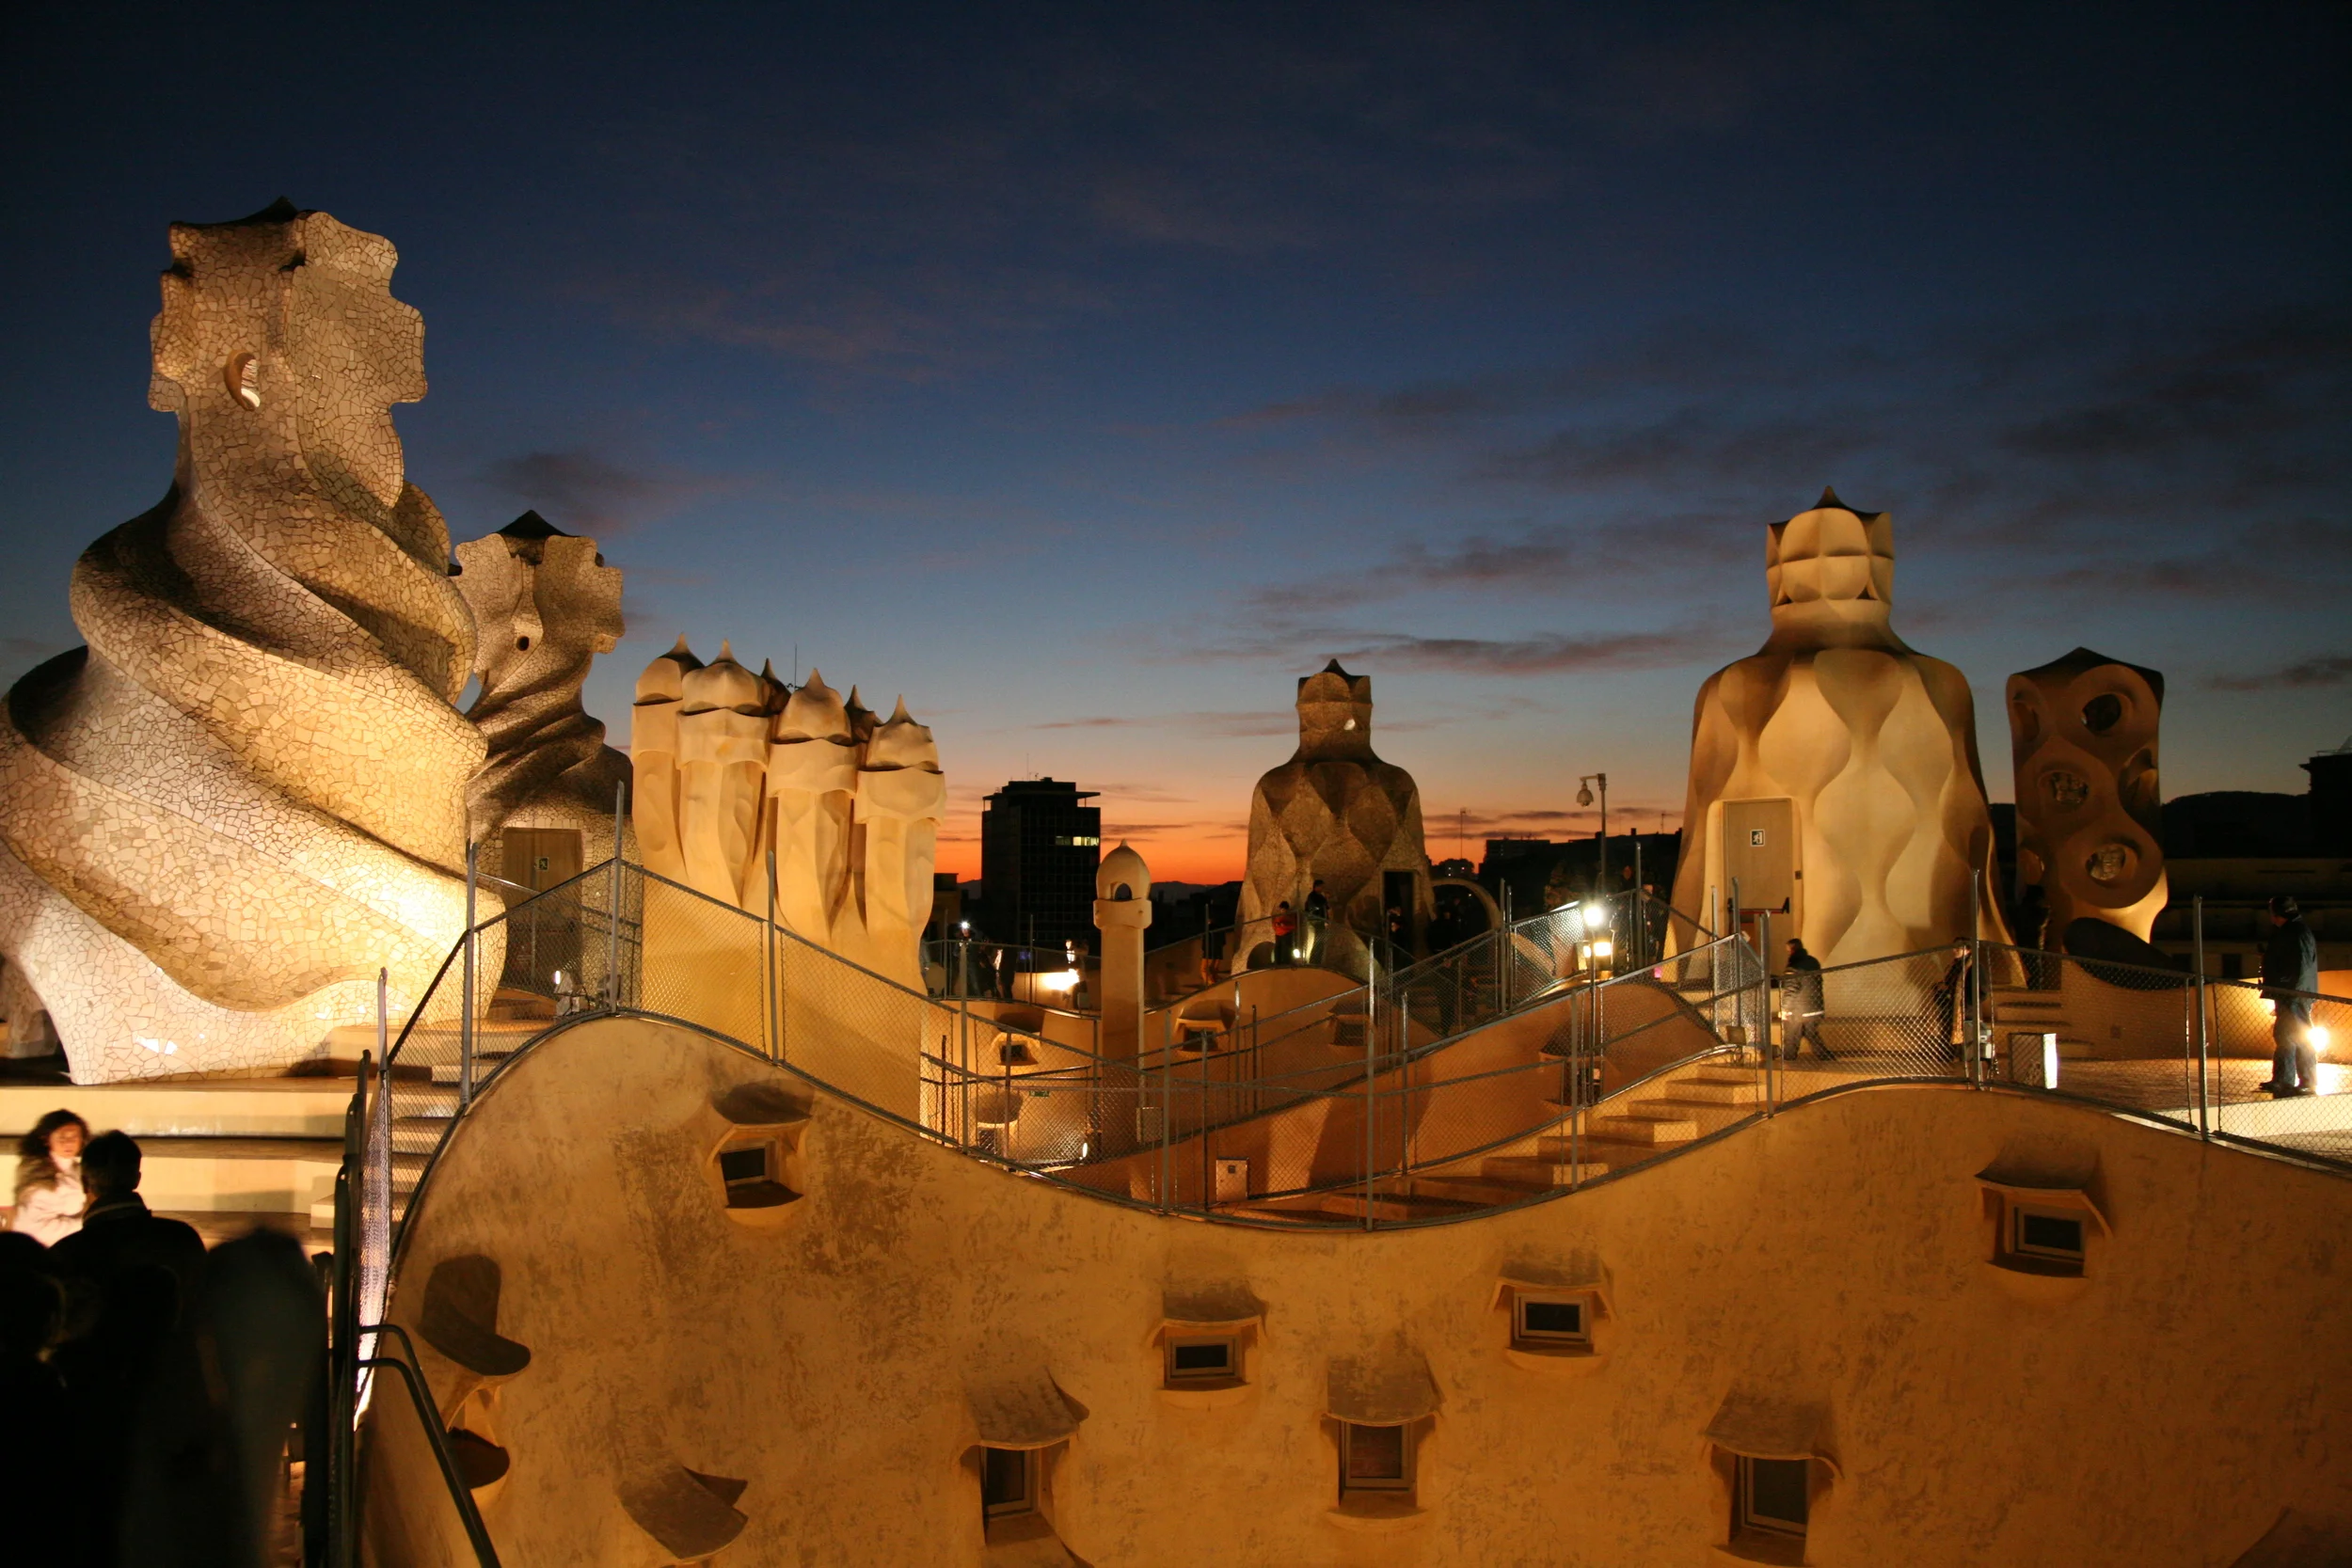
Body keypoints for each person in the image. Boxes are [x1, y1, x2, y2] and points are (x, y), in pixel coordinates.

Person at [2257, 895, 2321, 1097]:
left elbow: (2300, 966)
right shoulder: (2290, 931)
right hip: (2290, 992)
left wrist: (2285, 987)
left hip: (2293, 994)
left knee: (2299, 1036)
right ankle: (2284, 1080)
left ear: (2275, 913)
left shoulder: (2296, 932)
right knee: (2285, 1036)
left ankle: (2305, 1081)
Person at [9, 1108, 90, 1245]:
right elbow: (37, 1229)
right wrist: (87, 1223)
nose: (69, 1143)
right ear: (46, 1139)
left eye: (74, 1137)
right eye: (62, 1137)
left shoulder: (79, 1170)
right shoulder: (37, 1176)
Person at [1781, 939, 1831, 1059]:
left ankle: (1787, 1063)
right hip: (1816, 1007)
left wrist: (1784, 1009)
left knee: (1792, 1037)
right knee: (1811, 1034)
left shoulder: (1793, 967)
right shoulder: (1813, 962)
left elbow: (1791, 990)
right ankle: (1828, 1060)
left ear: (1791, 950)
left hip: (1799, 1010)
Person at [1934, 942, 1975, 1063]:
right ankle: (1947, 1055)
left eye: (1958, 948)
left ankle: (1962, 1056)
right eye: (1954, 947)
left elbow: (1980, 990)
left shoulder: (1971, 966)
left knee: (1962, 1030)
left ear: (1968, 950)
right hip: (1950, 1002)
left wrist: (1968, 1002)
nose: (1954, 950)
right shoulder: (1954, 964)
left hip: (1963, 1005)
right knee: (1946, 1028)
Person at [1302, 879, 1330, 966]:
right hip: (1315, 921)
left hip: (1321, 921)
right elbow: (1316, 906)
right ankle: (1313, 961)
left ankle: (1318, 961)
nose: (1322, 888)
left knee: (1321, 942)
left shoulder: (1321, 897)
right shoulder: (1312, 896)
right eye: (1321, 886)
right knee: (1317, 941)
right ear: (1316, 886)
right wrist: (1325, 899)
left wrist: (1326, 921)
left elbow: (1326, 908)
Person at [1271, 901, 1297, 966]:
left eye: (1283, 909)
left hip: (1287, 934)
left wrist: (1284, 926)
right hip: (1278, 934)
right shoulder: (1278, 917)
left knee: (1287, 949)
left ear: (1286, 910)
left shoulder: (1290, 917)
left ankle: (1287, 963)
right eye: (1281, 909)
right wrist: (1277, 926)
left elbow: (1293, 926)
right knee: (1277, 949)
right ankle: (1277, 963)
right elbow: (1274, 925)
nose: (1282, 911)